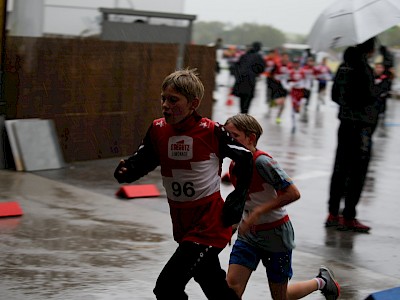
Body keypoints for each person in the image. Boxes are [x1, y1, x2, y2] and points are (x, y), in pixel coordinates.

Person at [114, 69, 254, 299]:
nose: (165, 105)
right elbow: (145, 159)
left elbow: (246, 157)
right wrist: (127, 171)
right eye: (163, 98)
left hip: (210, 224)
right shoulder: (158, 129)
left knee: (167, 288)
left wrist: (237, 200)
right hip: (182, 224)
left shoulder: (211, 131)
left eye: (173, 100)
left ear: (193, 103)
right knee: (214, 287)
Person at [224, 113, 340, 300]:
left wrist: (258, 212)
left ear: (251, 138)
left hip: (276, 235)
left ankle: (322, 281)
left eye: (234, 136)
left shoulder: (262, 162)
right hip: (248, 236)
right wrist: (233, 226)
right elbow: (244, 200)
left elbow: (293, 193)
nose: (228, 141)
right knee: (232, 289)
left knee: (281, 297)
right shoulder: (234, 164)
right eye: (226, 136)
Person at [327, 38, 380, 232]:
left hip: (345, 124)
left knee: (340, 168)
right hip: (362, 127)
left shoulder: (344, 66)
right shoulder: (363, 68)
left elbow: (334, 95)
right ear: (370, 49)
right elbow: (369, 96)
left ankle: (333, 213)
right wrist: (381, 86)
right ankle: (348, 215)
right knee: (358, 171)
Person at [232, 41, 266, 113]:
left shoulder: (244, 56)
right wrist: (255, 73)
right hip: (250, 80)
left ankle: (242, 113)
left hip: (240, 80)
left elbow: (236, 66)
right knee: (248, 98)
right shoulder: (258, 57)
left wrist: (237, 76)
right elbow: (262, 68)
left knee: (242, 98)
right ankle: (244, 114)